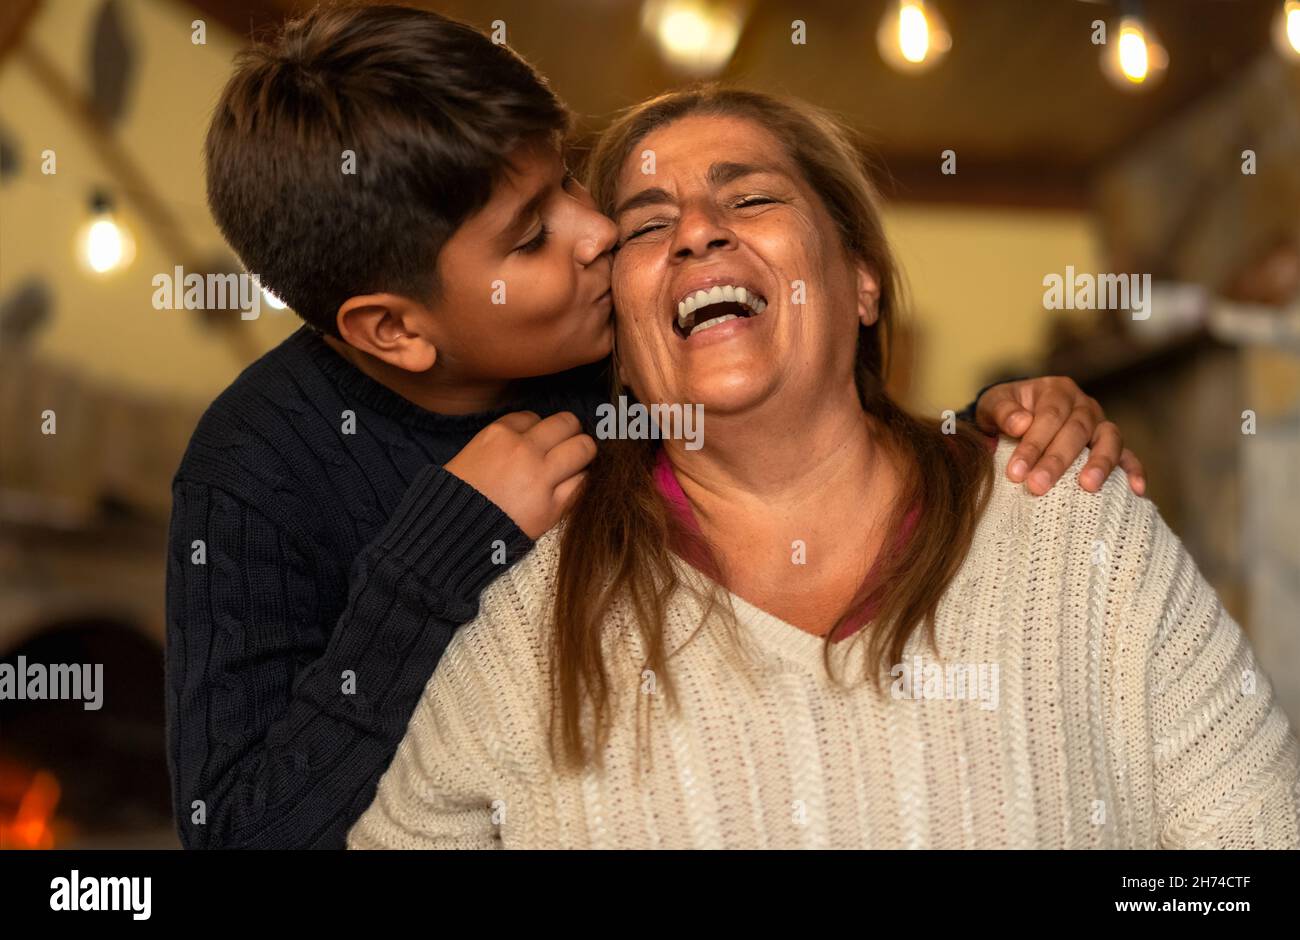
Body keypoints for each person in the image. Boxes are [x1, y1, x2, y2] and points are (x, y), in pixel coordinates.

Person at [170, 5, 1141, 849]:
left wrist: (986, 438)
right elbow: (241, 831)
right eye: (530, 235)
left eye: (567, 182)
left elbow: (814, 439)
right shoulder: (252, 472)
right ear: (393, 329)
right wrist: (436, 561)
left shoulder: (620, 344)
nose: (597, 233)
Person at [348, 86, 1300, 850]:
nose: (696, 231)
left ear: (863, 279)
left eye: (750, 196)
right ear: (623, 344)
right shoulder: (529, 611)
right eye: (646, 226)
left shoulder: (1073, 518)